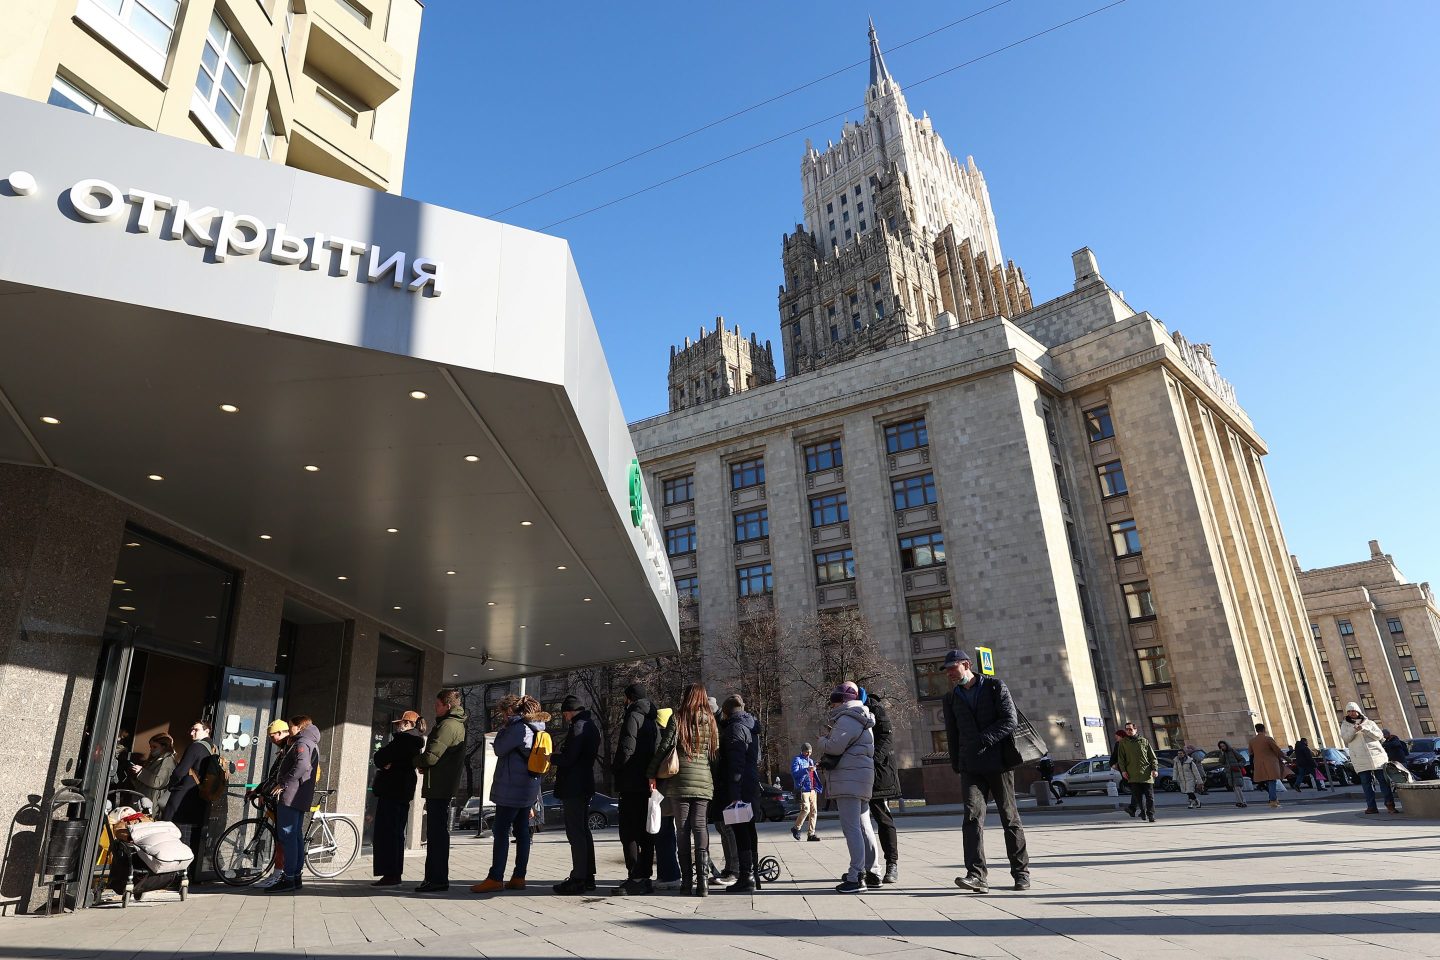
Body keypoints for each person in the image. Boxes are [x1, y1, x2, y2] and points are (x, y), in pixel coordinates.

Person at [942, 649, 1029, 894]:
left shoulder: (994, 687)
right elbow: (952, 734)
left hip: (999, 763)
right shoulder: (950, 698)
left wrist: (984, 739)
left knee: (1009, 818)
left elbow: (1010, 720)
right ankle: (976, 875)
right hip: (970, 766)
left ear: (967, 664)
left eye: (953, 667)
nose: (949, 673)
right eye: (947, 669)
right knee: (971, 819)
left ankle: (1021, 873)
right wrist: (957, 763)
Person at [471, 695, 549, 893]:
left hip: (511, 789)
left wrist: (503, 730)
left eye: (505, 713)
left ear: (513, 711)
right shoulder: (538, 728)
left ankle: (496, 877)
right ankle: (519, 877)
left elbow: (498, 749)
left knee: (501, 831)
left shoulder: (517, 728)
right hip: (528, 788)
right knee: (523, 832)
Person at [650, 682, 718, 897]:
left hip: (679, 781)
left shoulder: (678, 718)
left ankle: (686, 882)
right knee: (700, 828)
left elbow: (665, 747)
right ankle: (704, 883)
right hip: (703, 781)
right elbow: (714, 752)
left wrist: (651, 772)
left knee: (682, 830)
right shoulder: (711, 721)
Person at [819, 681, 878, 894]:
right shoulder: (861, 717)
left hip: (849, 779)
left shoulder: (848, 718)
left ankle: (856, 877)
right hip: (860, 777)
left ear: (843, 701)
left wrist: (822, 740)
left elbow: (834, 747)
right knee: (863, 826)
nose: (832, 706)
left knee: (852, 828)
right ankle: (873, 872)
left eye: (835, 702)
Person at [413, 688, 468, 893]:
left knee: (437, 836)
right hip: (441, 785)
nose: (434, 708)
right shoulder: (455, 724)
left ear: (448, 705)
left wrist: (417, 762)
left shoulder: (448, 725)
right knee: (437, 834)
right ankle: (435, 878)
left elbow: (431, 756)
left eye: (437, 705)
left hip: (439, 786)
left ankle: (436, 879)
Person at [611, 682, 659, 895]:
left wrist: (617, 769)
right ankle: (645, 876)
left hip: (631, 783)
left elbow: (626, 749)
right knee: (645, 832)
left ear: (629, 698)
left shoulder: (633, 716)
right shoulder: (653, 719)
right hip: (647, 783)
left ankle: (635, 876)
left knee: (628, 831)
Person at [266, 715, 321, 894]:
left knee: (288, 835)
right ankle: (295, 877)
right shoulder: (309, 741)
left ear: (299, 726)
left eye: (291, 726)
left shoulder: (302, 743)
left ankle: (289, 878)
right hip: (300, 795)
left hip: (292, 794)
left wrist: (283, 783)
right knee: (295, 835)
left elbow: (302, 766)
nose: (289, 729)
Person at [552, 694, 600, 894]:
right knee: (583, 831)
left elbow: (569, 758)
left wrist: (551, 757)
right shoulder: (591, 725)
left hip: (574, 786)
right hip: (584, 784)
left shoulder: (579, 726)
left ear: (569, 711)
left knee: (575, 832)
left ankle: (579, 878)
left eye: (564, 714)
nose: (564, 718)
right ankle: (587, 876)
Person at [371, 710, 425, 887]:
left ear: (408, 724)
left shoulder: (403, 741)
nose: (397, 726)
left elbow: (379, 757)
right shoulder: (415, 743)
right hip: (402, 791)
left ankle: (391, 874)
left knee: (388, 832)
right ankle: (394, 873)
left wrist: (387, 763)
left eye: (400, 723)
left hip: (392, 790)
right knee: (396, 833)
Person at [163, 719, 216, 885]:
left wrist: (170, 784)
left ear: (207, 731)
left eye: (196, 729)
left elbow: (180, 771)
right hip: (200, 797)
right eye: (191, 729)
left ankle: (177, 876)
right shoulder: (213, 748)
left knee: (176, 834)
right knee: (193, 837)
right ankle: (191, 875)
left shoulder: (196, 747)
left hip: (184, 797)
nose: (191, 732)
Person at [719, 693, 762, 894]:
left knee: (741, 830)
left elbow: (735, 764)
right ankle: (753, 874)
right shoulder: (751, 726)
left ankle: (747, 877)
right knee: (749, 830)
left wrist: (734, 793)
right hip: (750, 784)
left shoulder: (735, 728)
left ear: (727, 712)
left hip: (740, 787)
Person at [862, 688, 901, 884]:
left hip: (879, 774)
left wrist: (871, 760)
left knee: (883, 819)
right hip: (858, 774)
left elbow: (886, 738)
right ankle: (864, 866)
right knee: (859, 823)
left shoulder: (875, 709)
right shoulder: (850, 711)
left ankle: (892, 864)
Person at [649, 702, 684, 892]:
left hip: (664, 794)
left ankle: (670, 874)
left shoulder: (662, 742)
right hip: (675, 792)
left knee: (664, 836)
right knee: (669, 835)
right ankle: (668, 874)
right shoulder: (678, 740)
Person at [1341, 702, 1396, 814]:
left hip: (1377, 757)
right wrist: (1354, 730)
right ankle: (1371, 807)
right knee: (1366, 783)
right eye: (1349, 711)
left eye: (1353, 710)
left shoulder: (1370, 723)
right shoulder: (1345, 725)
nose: (1351, 713)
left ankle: (1390, 805)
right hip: (1360, 758)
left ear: (1358, 711)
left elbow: (1379, 736)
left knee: (1384, 782)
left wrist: (1365, 729)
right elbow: (1346, 739)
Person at [707, 695, 739, 886]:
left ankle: (734, 869)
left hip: (724, 784)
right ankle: (730, 867)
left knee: (728, 827)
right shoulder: (720, 725)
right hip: (720, 783)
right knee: (722, 825)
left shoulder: (724, 726)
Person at [1112, 721, 1158, 822]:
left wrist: (1154, 769)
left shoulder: (1144, 741)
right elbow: (1121, 759)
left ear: (1135, 729)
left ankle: (1151, 814)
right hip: (1132, 774)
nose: (1128, 731)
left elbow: (1152, 757)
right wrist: (1123, 771)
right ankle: (1143, 812)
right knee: (1138, 797)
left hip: (1146, 774)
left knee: (1150, 797)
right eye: (1127, 729)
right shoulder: (1123, 743)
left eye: (1130, 729)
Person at [130, 734, 177, 813]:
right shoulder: (156, 759)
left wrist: (141, 771)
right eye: (150, 747)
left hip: (151, 801)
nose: (151, 749)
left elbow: (159, 782)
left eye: (154, 747)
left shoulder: (168, 760)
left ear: (164, 746)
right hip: (144, 799)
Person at [1248, 723, 1289, 809]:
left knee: (1268, 781)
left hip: (1259, 764)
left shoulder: (1252, 741)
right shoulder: (1268, 739)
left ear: (1256, 730)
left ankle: (1274, 799)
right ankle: (1273, 800)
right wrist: (1286, 758)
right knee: (1272, 781)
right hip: (1271, 763)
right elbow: (1277, 750)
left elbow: (1251, 753)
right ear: (1264, 729)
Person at [790, 743, 822, 841]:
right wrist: (806, 769)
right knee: (806, 810)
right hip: (803, 789)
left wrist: (816, 767)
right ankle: (796, 828)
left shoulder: (811, 761)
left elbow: (813, 774)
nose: (808, 753)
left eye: (810, 752)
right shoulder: (797, 760)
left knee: (814, 812)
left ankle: (811, 834)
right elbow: (795, 774)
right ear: (802, 750)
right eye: (807, 751)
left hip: (812, 789)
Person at [1216, 740, 1248, 807]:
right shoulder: (1223, 754)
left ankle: (1243, 801)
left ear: (1226, 745)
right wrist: (1221, 754)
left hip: (1236, 772)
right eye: (1221, 746)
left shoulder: (1232, 751)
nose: (1222, 747)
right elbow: (1221, 762)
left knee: (1238, 788)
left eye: (1223, 746)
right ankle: (1239, 801)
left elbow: (1242, 759)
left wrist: (1238, 765)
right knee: (1235, 788)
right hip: (1229, 774)